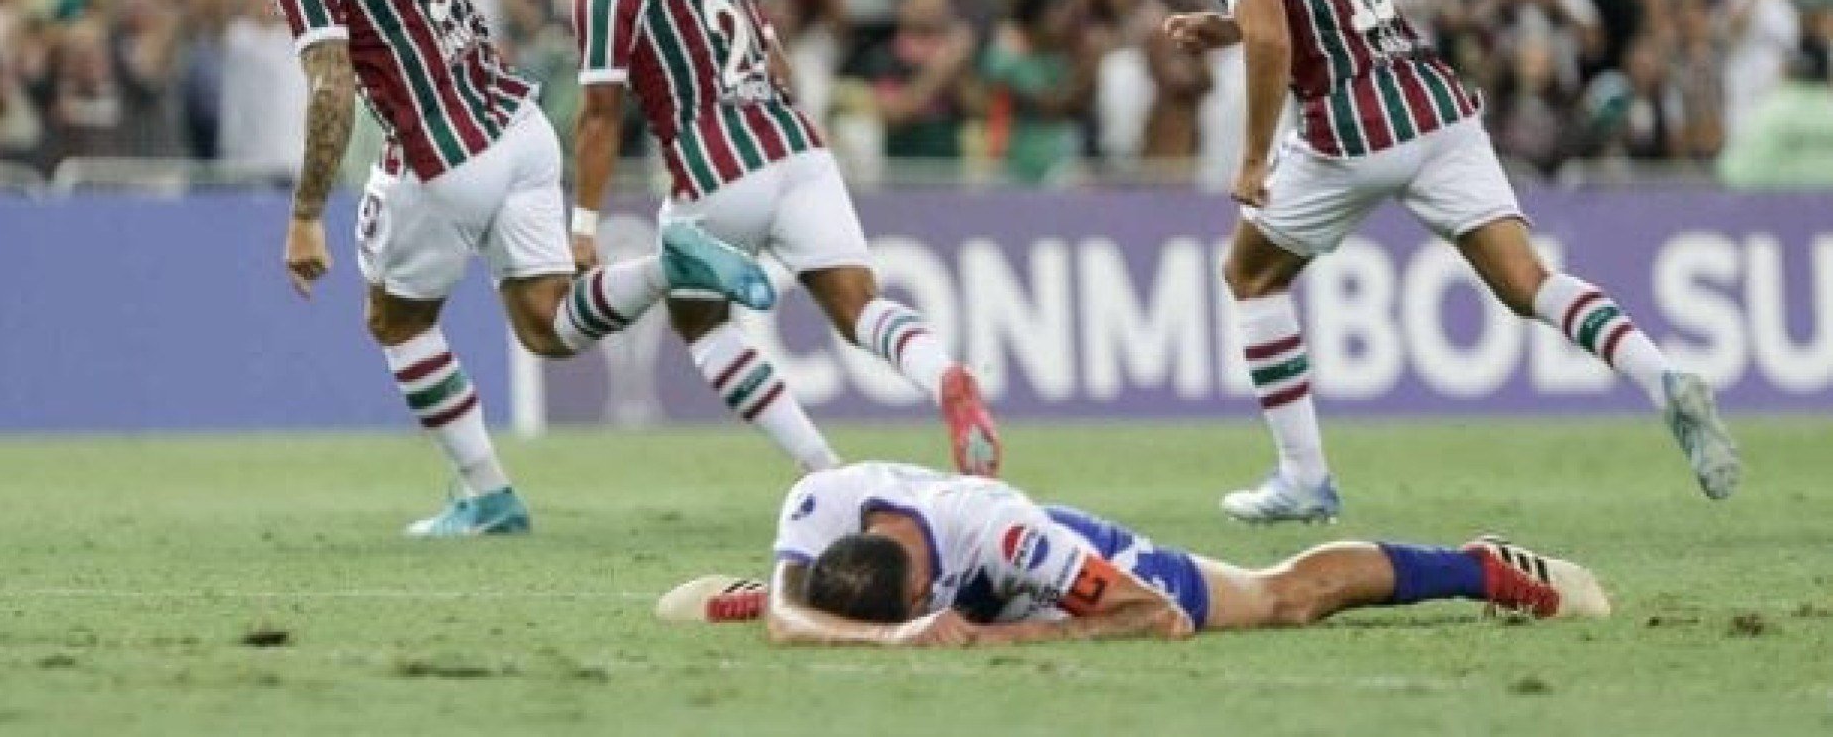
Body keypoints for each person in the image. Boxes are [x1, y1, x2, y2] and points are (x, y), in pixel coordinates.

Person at [1157, 0, 1740, 523]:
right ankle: (1663, 378)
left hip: (1353, 124)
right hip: (1434, 102)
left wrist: (1251, 157)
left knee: (1249, 275)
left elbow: (1274, 37)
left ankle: (1304, 477)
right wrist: (1227, 25)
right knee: (1527, 281)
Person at [234, 0, 773, 536]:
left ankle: (488, 494)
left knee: (396, 321)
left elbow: (331, 86)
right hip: (518, 126)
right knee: (548, 327)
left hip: (442, 153)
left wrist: (304, 215)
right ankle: (667, 266)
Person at [547, 0, 1002, 477]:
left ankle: (822, 468)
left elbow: (599, 114)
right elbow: (781, 67)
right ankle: (945, 375)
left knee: (703, 328)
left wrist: (584, 227)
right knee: (859, 307)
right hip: (798, 150)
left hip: (715, 168)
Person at [661, 461, 1611, 642]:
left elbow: (1153, 620)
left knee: (1283, 598)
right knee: (784, 609)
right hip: (964, 596)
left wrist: (996, 641)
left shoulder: (1011, 537)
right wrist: (893, 639)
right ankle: (744, 593)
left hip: (1066, 570)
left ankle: (1479, 566)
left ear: (920, 588)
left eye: (908, 616)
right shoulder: (820, 499)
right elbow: (790, 615)